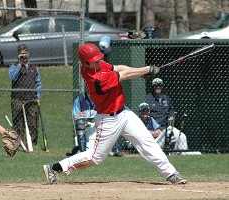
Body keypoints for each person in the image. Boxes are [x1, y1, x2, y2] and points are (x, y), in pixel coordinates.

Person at [42, 43, 187, 185]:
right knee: (95, 158)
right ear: (86, 64)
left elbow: (119, 68)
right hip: (108, 119)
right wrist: (147, 69)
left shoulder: (97, 64)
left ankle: (170, 173)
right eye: (94, 60)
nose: (99, 61)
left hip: (124, 113)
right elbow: (125, 74)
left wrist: (141, 71)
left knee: (147, 141)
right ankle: (54, 168)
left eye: (99, 58)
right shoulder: (96, 79)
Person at [70, 92, 123, 157]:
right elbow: (75, 116)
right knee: (80, 123)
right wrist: (79, 116)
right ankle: (82, 150)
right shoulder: (80, 98)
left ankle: (112, 149)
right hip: (86, 125)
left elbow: (110, 113)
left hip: (100, 123)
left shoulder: (104, 97)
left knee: (111, 121)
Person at [9, 44, 42, 146]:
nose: (23, 55)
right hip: (17, 98)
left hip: (31, 98)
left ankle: (32, 142)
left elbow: (38, 82)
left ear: (28, 53)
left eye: (25, 53)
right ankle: (19, 143)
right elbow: (12, 77)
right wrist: (19, 64)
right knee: (18, 121)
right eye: (21, 53)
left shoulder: (34, 67)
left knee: (32, 121)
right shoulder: (14, 66)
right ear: (18, 54)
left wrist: (38, 96)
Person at [145, 78, 188, 151]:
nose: (158, 87)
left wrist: (170, 120)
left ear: (162, 86)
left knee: (182, 136)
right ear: (153, 87)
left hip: (167, 127)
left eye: (159, 85)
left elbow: (171, 111)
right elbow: (146, 116)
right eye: (156, 86)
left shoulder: (166, 98)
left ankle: (184, 154)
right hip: (156, 129)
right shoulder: (148, 98)